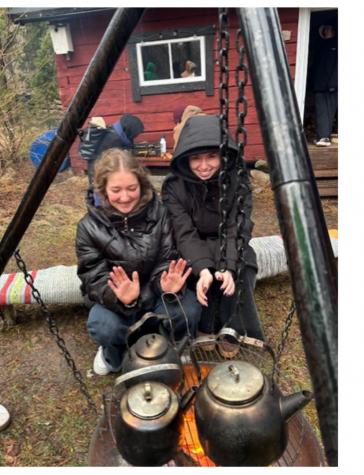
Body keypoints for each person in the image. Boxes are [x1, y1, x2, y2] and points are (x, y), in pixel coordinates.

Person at [76, 149, 202, 375]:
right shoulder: (88, 226)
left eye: (132, 189)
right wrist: (118, 296)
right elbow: (92, 275)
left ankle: (175, 347)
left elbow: (167, 257)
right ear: (103, 189)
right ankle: (112, 355)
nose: (125, 197)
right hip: (117, 297)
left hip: (155, 291)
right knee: (105, 327)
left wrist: (163, 284)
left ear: (142, 185)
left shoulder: (161, 214)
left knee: (188, 309)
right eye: (116, 190)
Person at [161, 115, 265, 357]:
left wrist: (228, 267)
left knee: (243, 265)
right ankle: (205, 326)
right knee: (190, 270)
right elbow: (183, 231)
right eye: (196, 158)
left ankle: (232, 327)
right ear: (186, 159)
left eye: (211, 156)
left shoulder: (238, 180)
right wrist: (204, 269)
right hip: (191, 243)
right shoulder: (173, 186)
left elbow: (238, 226)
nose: (204, 165)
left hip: (227, 240)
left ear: (223, 156)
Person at [310, 24, 337, 147]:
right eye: (325, 30)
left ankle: (325, 137)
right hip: (319, 85)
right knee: (321, 111)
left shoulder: (338, 46)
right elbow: (315, 67)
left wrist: (334, 83)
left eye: (328, 29)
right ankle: (322, 137)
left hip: (332, 85)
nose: (327, 31)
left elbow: (338, 67)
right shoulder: (319, 46)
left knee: (329, 112)